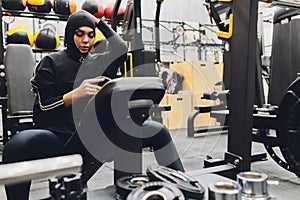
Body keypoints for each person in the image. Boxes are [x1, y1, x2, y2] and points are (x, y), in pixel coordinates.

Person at [3, 10, 184, 200]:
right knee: (16, 146)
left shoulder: (99, 61)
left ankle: (187, 185)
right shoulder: (51, 62)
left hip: (97, 130)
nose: (85, 41)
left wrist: (98, 22)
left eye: (90, 35)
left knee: (158, 131)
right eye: (79, 34)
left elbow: (120, 47)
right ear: (69, 35)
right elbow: (43, 108)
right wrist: (75, 94)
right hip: (62, 133)